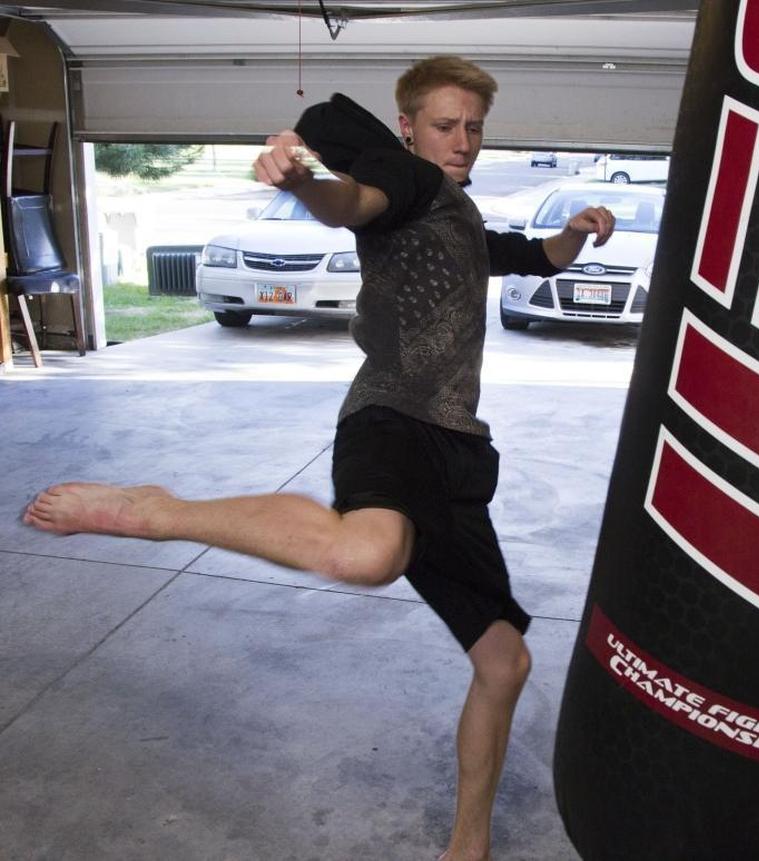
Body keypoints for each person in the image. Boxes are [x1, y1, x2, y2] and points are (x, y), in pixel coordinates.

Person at [23, 55, 614, 861]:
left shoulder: (459, 214)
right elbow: (354, 201)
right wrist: (306, 182)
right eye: (445, 125)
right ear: (407, 128)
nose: (462, 141)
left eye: (474, 127)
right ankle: (159, 510)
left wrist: (574, 232)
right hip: (391, 420)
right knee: (367, 552)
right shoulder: (407, 181)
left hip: (458, 454)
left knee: (504, 662)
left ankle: (466, 847)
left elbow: (534, 257)